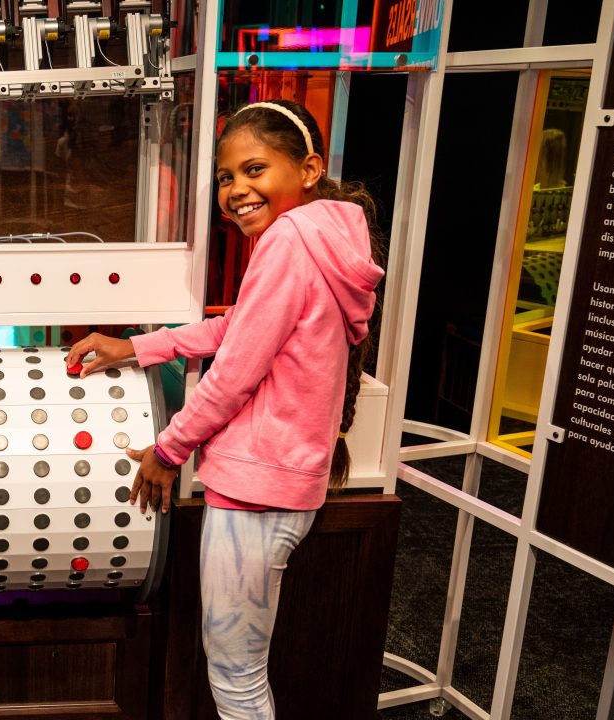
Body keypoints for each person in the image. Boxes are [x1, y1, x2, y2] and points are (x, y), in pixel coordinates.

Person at [65, 99, 385, 719]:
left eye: (255, 169)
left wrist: (167, 449)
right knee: (239, 669)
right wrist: (138, 346)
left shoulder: (290, 241)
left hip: (256, 490)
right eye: (227, 176)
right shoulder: (320, 238)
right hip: (278, 484)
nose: (236, 190)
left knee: (237, 676)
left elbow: (236, 370)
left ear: (309, 168)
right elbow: (244, 329)